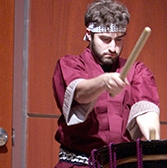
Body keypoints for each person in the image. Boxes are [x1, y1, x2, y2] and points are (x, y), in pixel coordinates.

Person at [52, 0, 160, 167]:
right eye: (105, 39)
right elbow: (79, 93)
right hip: (79, 162)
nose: (113, 48)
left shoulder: (137, 70)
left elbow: (146, 111)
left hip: (122, 162)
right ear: (89, 34)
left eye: (119, 40)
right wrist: (103, 81)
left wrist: (155, 142)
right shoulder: (70, 64)